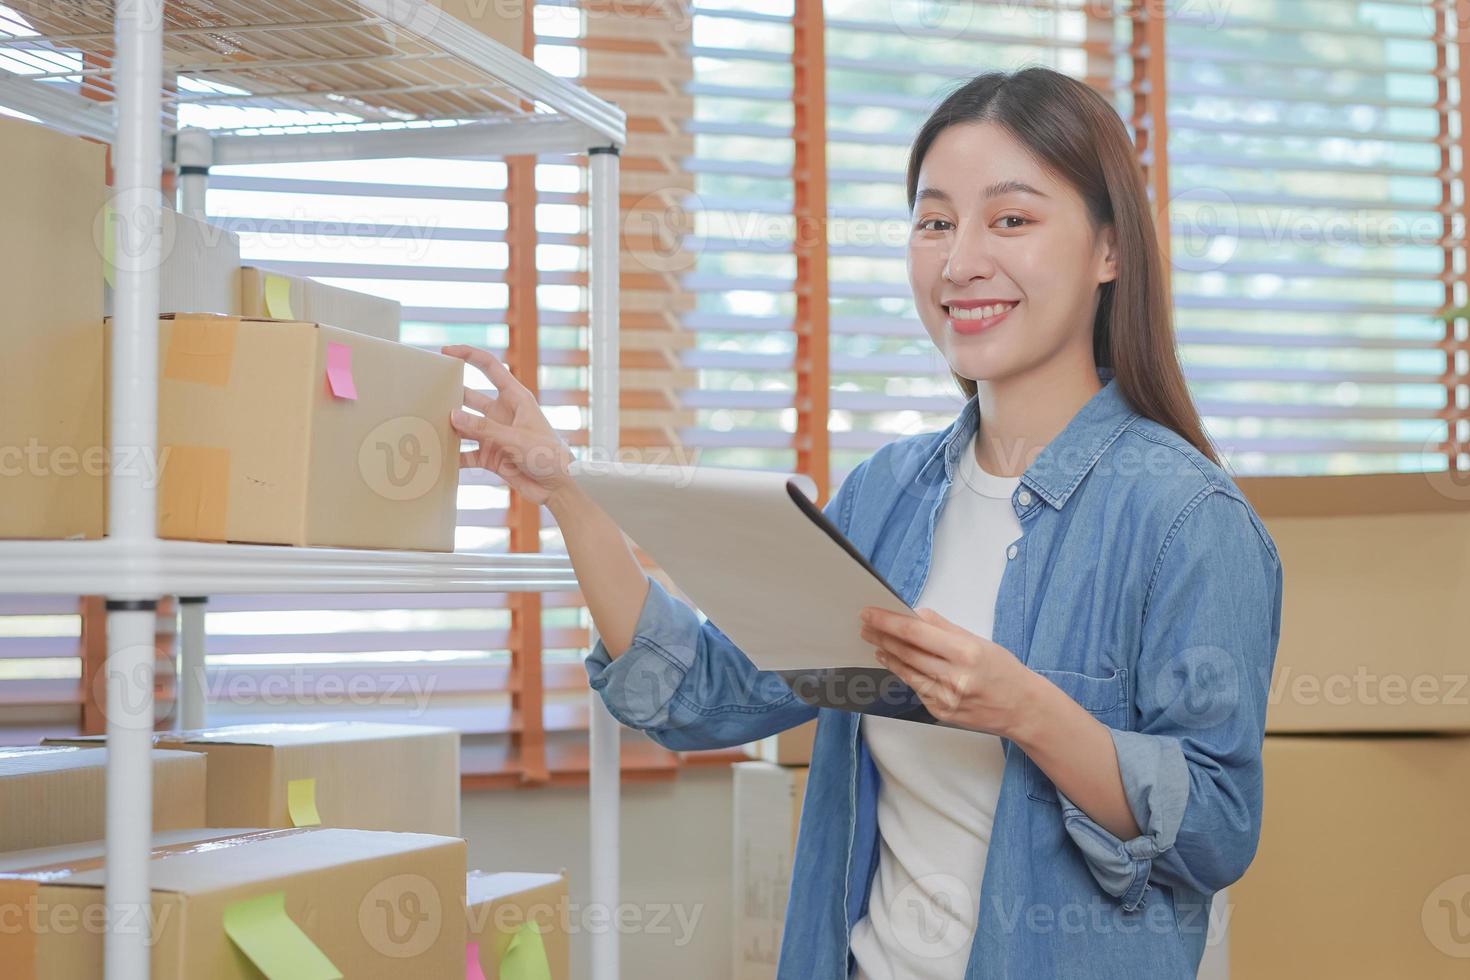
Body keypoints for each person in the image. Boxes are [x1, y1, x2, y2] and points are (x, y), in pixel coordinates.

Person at [444, 66, 1283, 980]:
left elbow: (1216, 833)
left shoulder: (1188, 520)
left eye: (1011, 219)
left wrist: (1028, 711)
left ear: (1110, 250)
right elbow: (707, 696)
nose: (961, 260)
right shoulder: (890, 492)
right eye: (934, 222)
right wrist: (567, 491)